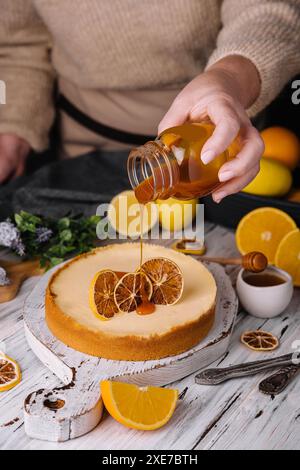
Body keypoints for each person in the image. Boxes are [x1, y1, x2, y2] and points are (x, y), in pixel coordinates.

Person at [0, 1, 299, 203]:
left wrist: (230, 78)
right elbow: (19, 45)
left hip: (219, 144)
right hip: (82, 149)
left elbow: (271, 10)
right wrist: (12, 125)